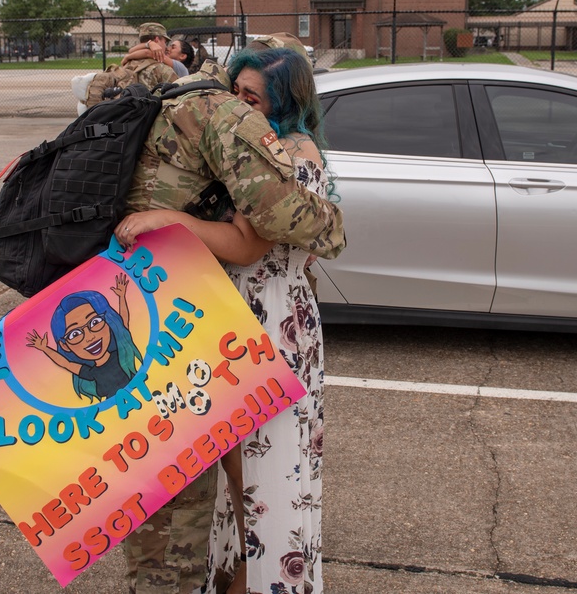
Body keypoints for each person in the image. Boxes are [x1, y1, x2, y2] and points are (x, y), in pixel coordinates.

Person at [117, 46, 344, 594]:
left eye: (251, 98)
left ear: (286, 102)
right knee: (237, 471)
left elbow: (246, 246)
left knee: (254, 477)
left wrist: (167, 220)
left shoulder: (287, 153)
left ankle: (258, 581)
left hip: (265, 320)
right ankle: (237, 577)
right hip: (239, 312)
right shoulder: (253, 147)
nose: (236, 107)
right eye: (233, 93)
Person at [25, 274, 141, 402]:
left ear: (107, 321)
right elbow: (65, 363)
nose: (90, 337)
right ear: (64, 345)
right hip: (120, 408)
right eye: (74, 334)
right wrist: (45, 349)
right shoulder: (90, 372)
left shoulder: (120, 352)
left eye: (94, 322)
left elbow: (123, 324)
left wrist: (122, 297)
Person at [121, 22, 179, 90]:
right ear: (157, 40)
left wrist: (128, 57)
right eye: (165, 42)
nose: (166, 46)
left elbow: (144, 52)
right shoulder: (163, 69)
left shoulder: (127, 64)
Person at [123, 37, 194, 78]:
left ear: (182, 56)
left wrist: (128, 57)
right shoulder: (167, 64)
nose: (168, 48)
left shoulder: (181, 67)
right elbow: (131, 50)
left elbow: (147, 53)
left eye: (173, 47)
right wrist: (149, 44)